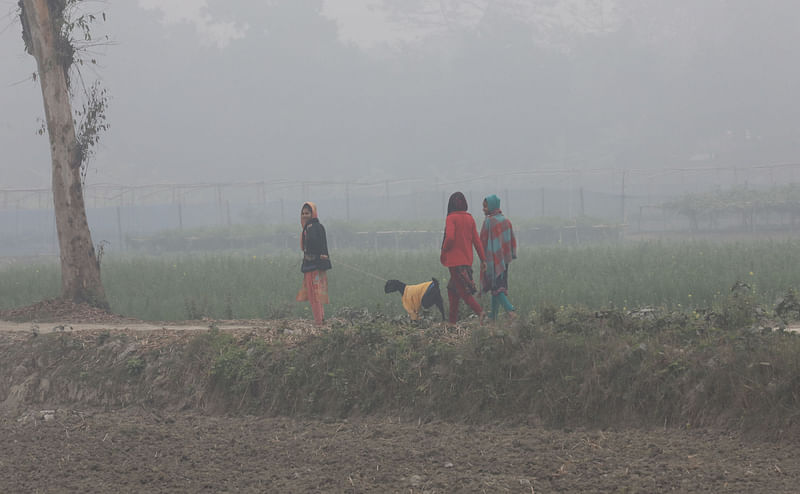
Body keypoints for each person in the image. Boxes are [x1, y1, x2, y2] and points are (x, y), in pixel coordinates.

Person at [440, 191, 487, 325]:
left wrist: (444, 249)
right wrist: (483, 260)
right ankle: (452, 323)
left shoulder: (451, 218)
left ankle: (480, 312)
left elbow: (449, 238)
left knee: (463, 291)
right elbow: (477, 241)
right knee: (452, 290)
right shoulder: (469, 218)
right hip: (466, 261)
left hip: (454, 262)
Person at [480, 194, 517, 321]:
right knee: (496, 286)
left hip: (492, 261)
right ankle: (493, 316)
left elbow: (482, 241)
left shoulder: (489, 222)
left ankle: (510, 310)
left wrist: (483, 258)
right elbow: (511, 241)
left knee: (496, 288)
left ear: (491, 206)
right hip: (504, 261)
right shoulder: (506, 221)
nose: (484, 209)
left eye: (485, 206)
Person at [295, 202, 331, 326]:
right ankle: (320, 319)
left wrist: (317, 256)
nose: (305, 216)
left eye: (307, 213)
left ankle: (318, 322)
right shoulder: (314, 227)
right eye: (303, 213)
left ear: (313, 214)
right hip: (315, 265)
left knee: (314, 294)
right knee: (317, 294)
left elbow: (316, 246)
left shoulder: (312, 228)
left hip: (314, 266)